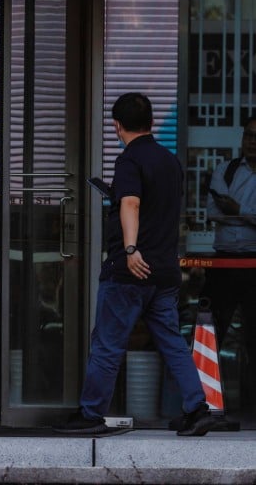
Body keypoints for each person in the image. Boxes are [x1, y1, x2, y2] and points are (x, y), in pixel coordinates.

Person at [54, 92, 216, 436]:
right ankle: (197, 408)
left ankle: (91, 413)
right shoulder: (169, 161)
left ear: (117, 125)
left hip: (131, 270)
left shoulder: (129, 160)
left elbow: (131, 204)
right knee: (171, 341)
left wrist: (130, 250)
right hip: (165, 271)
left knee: (108, 343)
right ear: (151, 122)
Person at [204, 115, 256, 417]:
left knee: (253, 338)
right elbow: (213, 211)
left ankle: (251, 408)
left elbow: (228, 210)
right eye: (248, 135)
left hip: (254, 263)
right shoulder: (227, 169)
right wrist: (248, 216)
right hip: (223, 260)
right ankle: (205, 406)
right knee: (212, 330)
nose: (252, 141)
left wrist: (238, 210)